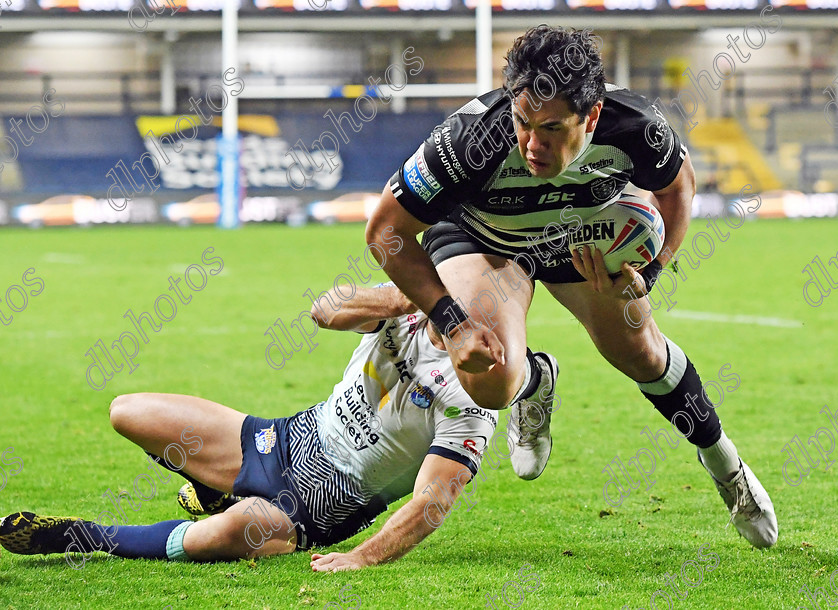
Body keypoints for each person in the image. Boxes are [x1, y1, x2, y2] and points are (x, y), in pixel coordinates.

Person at [364, 25, 777, 548]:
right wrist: (454, 322)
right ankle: (532, 380)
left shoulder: (637, 128)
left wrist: (650, 273)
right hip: (483, 239)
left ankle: (728, 468)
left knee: (641, 352)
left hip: (577, 237)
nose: (533, 145)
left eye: (553, 129)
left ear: (593, 116)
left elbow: (678, 186)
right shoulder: (469, 140)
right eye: (522, 122)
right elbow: (384, 232)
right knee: (490, 378)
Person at [0, 283, 500, 571]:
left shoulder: (476, 397)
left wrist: (363, 559)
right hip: (284, 439)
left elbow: (432, 501)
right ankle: (212, 486)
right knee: (128, 412)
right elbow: (323, 311)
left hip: (315, 507)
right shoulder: (403, 311)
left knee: (211, 538)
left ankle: (87, 537)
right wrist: (395, 299)